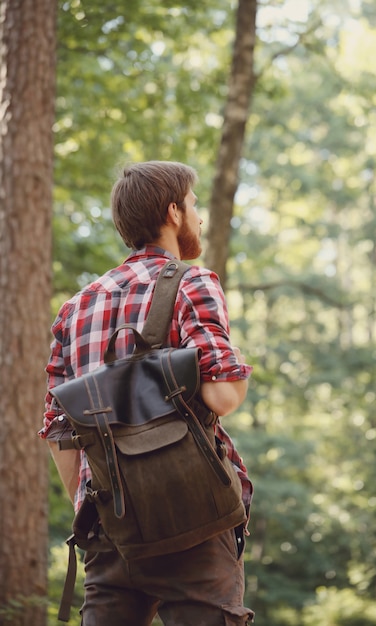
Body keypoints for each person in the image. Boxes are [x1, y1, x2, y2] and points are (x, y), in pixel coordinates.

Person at [40, 161, 254, 626]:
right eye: (194, 205)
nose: (198, 216)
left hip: (108, 522)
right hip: (190, 518)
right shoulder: (191, 282)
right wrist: (236, 368)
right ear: (174, 212)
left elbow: (60, 435)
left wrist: (104, 500)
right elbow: (222, 397)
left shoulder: (73, 310)